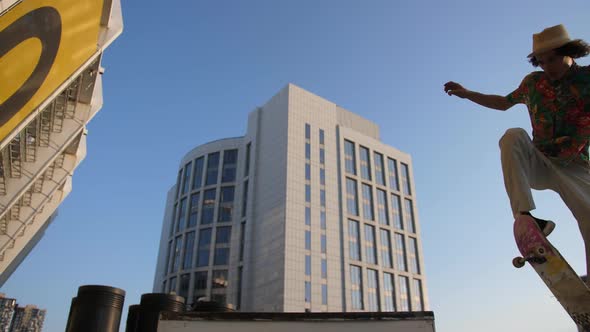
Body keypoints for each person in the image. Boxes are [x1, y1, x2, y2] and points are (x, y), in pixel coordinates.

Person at [444, 24, 590, 276]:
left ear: (569, 53)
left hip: (576, 165)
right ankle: (526, 217)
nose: (546, 68)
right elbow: (503, 103)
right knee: (512, 136)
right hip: (540, 160)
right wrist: (467, 94)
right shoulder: (533, 83)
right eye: (541, 62)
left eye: (552, 60)